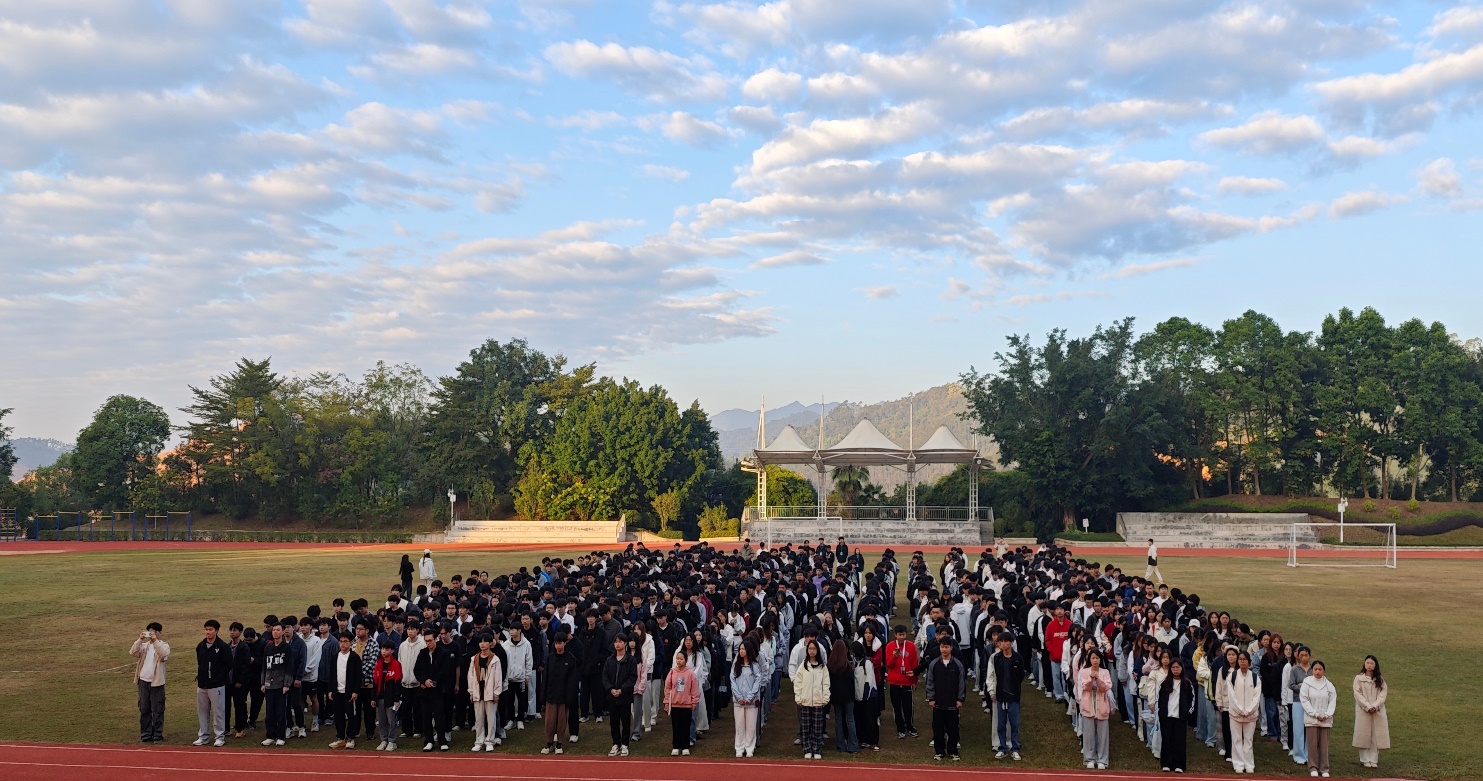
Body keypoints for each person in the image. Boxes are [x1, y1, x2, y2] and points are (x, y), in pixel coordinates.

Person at [924, 637, 966, 762]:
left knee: (953, 728)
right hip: (938, 702)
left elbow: (962, 683)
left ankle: (953, 751)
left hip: (953, 703)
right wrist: (931, 698)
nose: (944, 649)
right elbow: (930, 681)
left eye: (947, 647)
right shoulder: (934, 664)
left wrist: (960, 699)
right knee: (938, 728)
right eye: (942, 647)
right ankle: (939, 751)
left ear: (951, 648)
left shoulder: (957, 664)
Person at [132, 621, 170, 744]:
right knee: (144, 709)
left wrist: (155, 641)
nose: (152, 634)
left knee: (157, 709)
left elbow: (163, 655)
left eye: (154, 632)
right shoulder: (144, 646)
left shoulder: (164, 645)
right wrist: (140, 639)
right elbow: (133, 652)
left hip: (157, 683)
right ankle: (146, 734)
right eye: (150, 632)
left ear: (159, 633)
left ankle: (157, 735)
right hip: (143, 681)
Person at [194, 619, 231, 747]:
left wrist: (218, 677)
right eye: (206, 629)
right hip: (202, 685)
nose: (208, 632)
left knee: (218, 712)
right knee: (202, 712)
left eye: (210, 629)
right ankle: (203, 736)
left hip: (217, 685)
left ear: (217, 631)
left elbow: (229, 664)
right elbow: (200, 663)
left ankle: (219, 736)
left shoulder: (223, 647)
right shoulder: (201, 646)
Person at [543, 632, 580, 754]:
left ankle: (559, 743)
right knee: (550, 721)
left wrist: (570, 697)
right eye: (556, 643)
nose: (558, 646)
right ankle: (549, 743)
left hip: (564, 696)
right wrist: (543, 695)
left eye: (560, 643)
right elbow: (545, 677)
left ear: (565, 643)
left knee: (561, 721)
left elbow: (572, 680)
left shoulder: (571, 659)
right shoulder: (550, 658)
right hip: (551, 695)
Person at [793, 638, 830, 760]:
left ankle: (817, 748)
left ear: (817, 650)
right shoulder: (803, 666)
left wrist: (825, 698)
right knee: (806, 727)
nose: (812, 651)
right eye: (810, 649)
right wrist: (799, 698)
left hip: (819, 702)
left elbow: (826, 684)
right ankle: (807, 748)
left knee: (817, 728)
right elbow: (798, 683)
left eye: (814, 649)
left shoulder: (822, 667)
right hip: (805, 701)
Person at [1076, 649, 1112, 770]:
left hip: (1102, 706)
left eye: (1097, 658)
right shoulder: (1084, 672)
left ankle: (1102, 759)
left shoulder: (1105, 672)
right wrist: (1091, 679)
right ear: (1089, 659)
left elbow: (1106, 687)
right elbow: (1085, 687)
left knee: (1103, 735)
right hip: (1088, 706)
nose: (1095, 660)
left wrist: (1098, 679)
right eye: (1093, 658)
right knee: (1089, 735)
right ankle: (1089, 758)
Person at [991, 630, 1025, 761]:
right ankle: (1002, 747)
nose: (1004, 644)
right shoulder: (996, 658)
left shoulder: (1018, 658)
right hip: (1000, 696)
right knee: (1001, 724)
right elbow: (994, 675)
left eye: (1006, 641)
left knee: (1014, 723)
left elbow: (1021, 676)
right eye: (1001, 642)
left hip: (1014, 696)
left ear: (1011, 643)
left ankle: (1015, 748)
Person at [1226, 651, 1262, 774]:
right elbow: (1231, 696)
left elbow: (1256, 697)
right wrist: (1240, 710)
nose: (1242, 661)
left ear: (1249, 662)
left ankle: (1249, 764)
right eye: (1240, 659)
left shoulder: (1255, 677)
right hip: (1235, 714)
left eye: (1244, 659)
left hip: (1250, 715)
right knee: (1236, 740)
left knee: (1248, 740)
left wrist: (1249, 710)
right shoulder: (1232, 676)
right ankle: (1238, 764)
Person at [603, 633, 638, 757]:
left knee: (625, 721)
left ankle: (625, 744)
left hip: (625, 696)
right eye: (616, 642)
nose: (618, 644)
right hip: (612, 696)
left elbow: (632, 677)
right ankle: (616, 743)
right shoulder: (609, 660)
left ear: (625, 643)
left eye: (620, 642)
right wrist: (611, 689)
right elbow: (605, 676)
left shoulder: (631, 660)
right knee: (613, 721)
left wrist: (622, 690)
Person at [325, 631, 362, 749]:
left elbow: (358, 676)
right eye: (341, 641)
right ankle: (340, 738)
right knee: (338, 716)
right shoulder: (335, 656)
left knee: (351, 715)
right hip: (337, 692)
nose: (343, 644)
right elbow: (331, 674)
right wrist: (331, 690)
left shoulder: (354, 657)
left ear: (350, 643)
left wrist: (355, 691)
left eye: (345, 641)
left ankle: (350, 737)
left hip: (349, 692)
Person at [465, 633, 502, 752]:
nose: (483, 644)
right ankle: (479, 741)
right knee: (479, 719)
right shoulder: (474, 659)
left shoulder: (495, 659)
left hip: (490, 693)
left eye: (485, 642)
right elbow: (470, 676)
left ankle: (490, 741)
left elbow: (498, 677)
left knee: (491, 719)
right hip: (478, 692)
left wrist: (496, 693)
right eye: (481, 642)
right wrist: (471, 691)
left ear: (490, 643)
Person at [1158, 658, 1196, 773]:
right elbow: (1159, 699)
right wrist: (1161, 712)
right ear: (1170, 669)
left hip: (1180, 717)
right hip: (1167, 716)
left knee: (1179, 741)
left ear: (1181, 668)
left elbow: (1192, 699)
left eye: (1177, 667)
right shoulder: (1165, 683)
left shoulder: (1187, 683)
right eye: (1173, 667)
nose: (1175, 669)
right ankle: (1166, 763)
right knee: (1167, 740)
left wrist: (1187, 713)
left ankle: (1179, 764)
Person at [1301, 660, 1337, 778]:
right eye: (1315, 669)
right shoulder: (1307, 683)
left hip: (1325, 720)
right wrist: (1315, 714)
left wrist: (1327, 715)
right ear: (1312, 670)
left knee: (1324, 745)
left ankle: (1324, 768)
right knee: (1312, 745)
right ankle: (1313, 767)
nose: (1317, 672)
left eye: (1320, 669)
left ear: (1323, 671)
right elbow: (1304, 700)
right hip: (1312, 720)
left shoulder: (1329, 685)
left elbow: (1332, 701)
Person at [1352, 655, 1389, 769]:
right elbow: (1357, 694)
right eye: (1367, 663)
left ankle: (1373, 759)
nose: (1369, 665)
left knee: (1375, 735)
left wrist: (1375, 706)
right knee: (1364, 734)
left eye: (1371, 663)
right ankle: (1364, 759)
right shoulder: (1359, 678)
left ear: (1375, 665)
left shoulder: (1380, 680)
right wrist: (1367, 706)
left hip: (1377, 711)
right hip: (1364, 711)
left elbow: (1383, 694)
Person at [260, 622, 292, 746]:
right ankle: (270, 735)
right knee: (269, 712)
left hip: (281, 685)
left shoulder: (287, 648)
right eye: (274, 630)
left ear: (283, 631)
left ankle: (281, 736)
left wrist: (286, 684)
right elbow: (264, 666)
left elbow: (289, 667)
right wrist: (263, 682)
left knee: (280, 712)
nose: (275, 632)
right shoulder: (268, 647)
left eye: (278, 630)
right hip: (269, 684)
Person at [884, 624, 919, 738]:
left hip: (907, 681)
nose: (901, 637)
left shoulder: (911, 646)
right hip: (894, 681)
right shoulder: (890, 646)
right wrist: (894, 657)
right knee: (896, 706)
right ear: (895, 635)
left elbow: (914, 664)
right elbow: (888, 665)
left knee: (908, 706)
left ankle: (910, 726)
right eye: (899, 635)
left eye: (903, 635)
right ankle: (900, 728)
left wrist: (914, 681)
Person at [731, 639, 763, 758]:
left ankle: (749, 747)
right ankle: (739, 747)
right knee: (739, 725)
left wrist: (749, 697)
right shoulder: (736, 666)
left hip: (751, 701)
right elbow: (733, 681)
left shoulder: (755, 666)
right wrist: (739, 697)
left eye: (743, 649)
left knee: (751, 726)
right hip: (738, 701)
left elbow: (757, 682)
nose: (741, 651)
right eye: (740, 649)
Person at [664, 649, 699, 756]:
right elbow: (667, 688)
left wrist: (694, 702)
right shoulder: (672, 672)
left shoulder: (690, 674)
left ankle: (685, 746)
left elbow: (694, 689)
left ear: (686, 660)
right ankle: (676, 746)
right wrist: (667, 702)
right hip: (675, 704)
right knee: (676, 726)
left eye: (681, 659)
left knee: (686, 726)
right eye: (677, 659)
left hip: (686, 705)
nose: (679, 661)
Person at [371, 642, 403, 751]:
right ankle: (383, 740)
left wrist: (397, 699)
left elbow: (398, 683)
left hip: (391, 698)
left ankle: (392, 741)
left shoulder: (396, 664)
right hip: (380, 697)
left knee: (391, 720)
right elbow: (375, 682)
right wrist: (373, 698)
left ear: (392, 651)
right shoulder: (379, 664)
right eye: (382, 649)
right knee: (381, 720)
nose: (384, 651)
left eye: (387, 649)